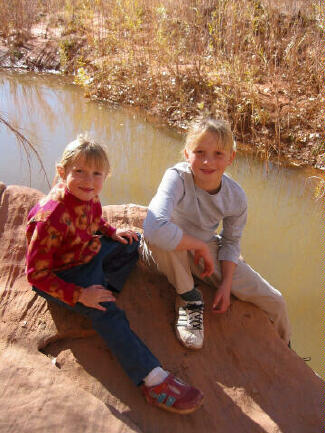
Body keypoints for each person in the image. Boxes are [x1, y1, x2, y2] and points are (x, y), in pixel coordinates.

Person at [25, 134, 204, 414]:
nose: (88, 180)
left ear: (106, 176)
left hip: (85, 254)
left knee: (131, 244)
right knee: (107, 311)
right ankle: (152, 380)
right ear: (62, 172)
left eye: (97, 173)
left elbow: (94, 220)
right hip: (61, 276)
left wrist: (111, 232)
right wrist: (81, 294)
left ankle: (101, 297)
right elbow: (36, 275)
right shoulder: (50, 218)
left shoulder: (89, 197)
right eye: (79, 172)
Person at [143, 117, 291, 350]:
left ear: (231, 157)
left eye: (218, 154)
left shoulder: (236, 196)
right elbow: (154, 227)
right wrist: (197, 246)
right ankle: (189, 299)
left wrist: (226, 284)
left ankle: (287, 354)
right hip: (169, 251)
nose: (207, 161)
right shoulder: (177, 177)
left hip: (207, 249)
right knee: (160, 237)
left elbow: (231, 241)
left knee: (276, 302)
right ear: (186, 153)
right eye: (199, 151)